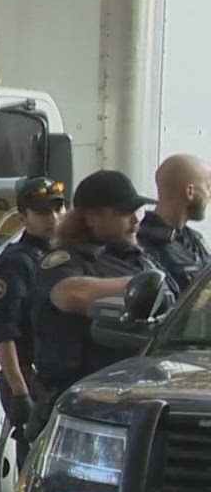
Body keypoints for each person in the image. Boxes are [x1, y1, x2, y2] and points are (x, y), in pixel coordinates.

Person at [29, 170, 173, 424]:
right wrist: (142, 285)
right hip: (82, 403)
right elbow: (70, 293)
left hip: (139, 397)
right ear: (93, 218)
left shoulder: (141, 259)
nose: (135, 221)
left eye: (136, 212)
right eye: (124, 213)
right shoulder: (65, 261)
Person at [0, 176, 63, 436]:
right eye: (43, 211)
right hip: (31, 379)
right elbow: (4, 332)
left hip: (58, 378)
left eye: (57, 208)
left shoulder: (67, 257)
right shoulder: (15, 263)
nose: (53, 217)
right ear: (24, 217)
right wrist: (19, 392)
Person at [137, 154, 211, 292]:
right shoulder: (143, 246)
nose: (209, 195)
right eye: (208, 187)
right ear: (190, 192)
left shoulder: (193, 239)